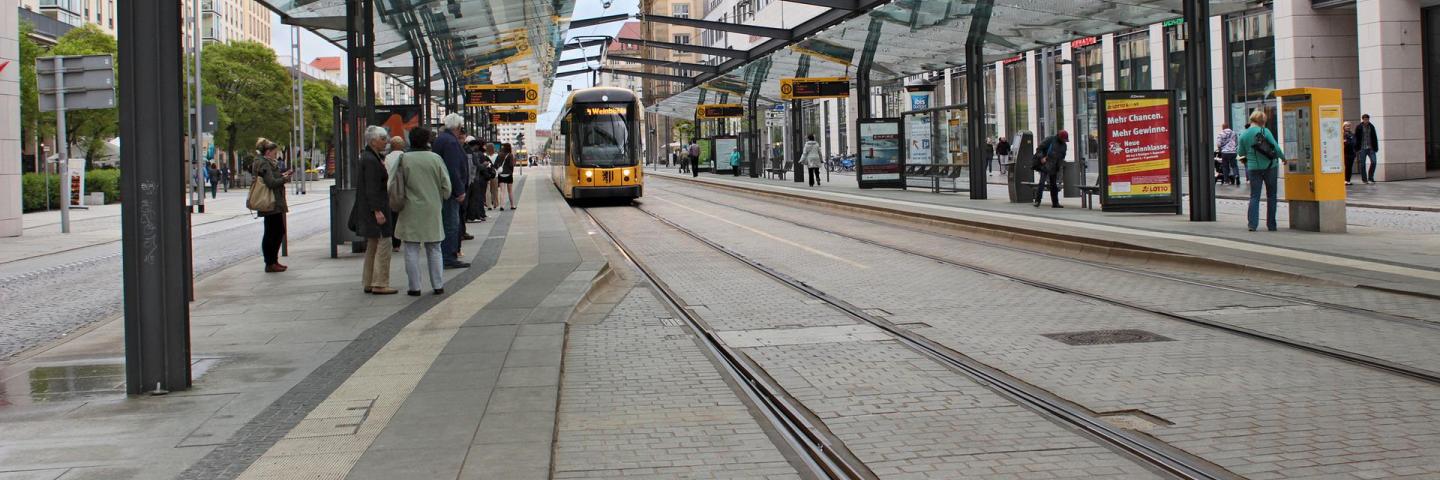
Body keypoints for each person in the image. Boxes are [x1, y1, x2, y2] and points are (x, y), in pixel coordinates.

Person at [394, 127, 452, 296]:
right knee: (434, 247)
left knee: (411, 249)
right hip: (432, 208)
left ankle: (415, 287)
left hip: (410, 208)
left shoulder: (403, 159)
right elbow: (447, 187)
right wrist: (440, 196)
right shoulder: (436, 159)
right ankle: (438, 285)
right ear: (427, 140)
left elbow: (395, 185)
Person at [355, 126, 397, 295]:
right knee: (384, 244)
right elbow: (372, 188)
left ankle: (369, 281)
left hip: (370, 208)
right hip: (377, 209)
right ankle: (380, 283)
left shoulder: (368, 157)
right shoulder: (372, 160)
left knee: (372, 245)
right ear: (373, 141)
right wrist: (377, 210)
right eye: (382, 138)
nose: (385, 141)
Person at [1238, 109, 1285, 232]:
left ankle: (1252, 225)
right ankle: (1271, 225)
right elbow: (1276, 147)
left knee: (1254, 196)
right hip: (1270, 167)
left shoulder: (1244, 134)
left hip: (1253, 169)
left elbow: (1241, 153)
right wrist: (1283, 159)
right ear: (1262, 121)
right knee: (1271, 196)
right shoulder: (1265, 131)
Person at [432, 114, 469, 269]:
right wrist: (459, 190)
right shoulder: (451, 142)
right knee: (451, 224)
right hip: (450, 192)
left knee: (448, 223)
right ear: (458, 127)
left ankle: (446, 256)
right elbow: (452, 169)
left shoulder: (441, 139)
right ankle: (448, 257)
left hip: (442, 190)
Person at [252, 138, 290, 272]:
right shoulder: (264, 164)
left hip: (273, 202)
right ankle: (270, 262)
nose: (276, 155)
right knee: (274, 232)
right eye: (274, 153)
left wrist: (282, 176)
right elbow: (271, 183)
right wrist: (284, 179)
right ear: (268, 152)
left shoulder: (265, 162)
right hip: (270, 202)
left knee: (274, 231)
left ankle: (273, 261)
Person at [1032, 130, 1069, 208]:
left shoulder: (1064, 145)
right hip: (1045, 164)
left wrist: (1059, 165)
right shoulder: (1050, 139)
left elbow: (1062, 156)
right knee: (1042, 183)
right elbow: (1039, 149)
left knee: (1053, 185)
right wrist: (1042, 157)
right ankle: (1037, 200)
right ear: (1060, 137)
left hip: (1054, 166)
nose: (1064, 141)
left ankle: (1055, 203)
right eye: (1063, 139)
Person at [385, 136, 406, 251]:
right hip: (403, 189)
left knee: (393, 216)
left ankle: (395, 244)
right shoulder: (405, 156)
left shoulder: (387, 158)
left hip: (390, 189)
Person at [1354, 113, 1379, 184]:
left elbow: (1375, 137)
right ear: (1363, 119)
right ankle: (1364, 179)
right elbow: (1356, 138)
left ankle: (1370, 177)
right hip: (1362, 148)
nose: (1366, 120)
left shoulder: (1371, 126)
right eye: (1365, 119)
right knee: (1362, 164)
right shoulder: (1359, 127)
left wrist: (1376, 147)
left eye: (1367, 119)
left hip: (1371, 148)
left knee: (1374, 162)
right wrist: (1356, 148)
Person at [497, 142, 518, 210]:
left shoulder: (499, 154)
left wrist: (499, 168)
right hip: (508, 174)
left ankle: (502, 206)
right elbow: (511, 165)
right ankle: (512, 205)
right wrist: (511, 172)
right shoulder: (510, 155)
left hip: (501, 174)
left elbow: (496, 164)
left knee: (502, 191)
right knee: (510, 191)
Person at [1343, 121, 1358, 186]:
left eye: (1349, 126)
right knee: (1346, 166)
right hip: (1345, 153)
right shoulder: (1342, 134)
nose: (1348, 127)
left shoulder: (1352, 134)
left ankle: (1348, 180)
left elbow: (1354, 142)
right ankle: (1345, 180)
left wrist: (1347, 142)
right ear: (1344, 127)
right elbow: (1345, 143)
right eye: (1346, 126)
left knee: (1349, 167)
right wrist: (1347, 142)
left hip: (1351, 153)